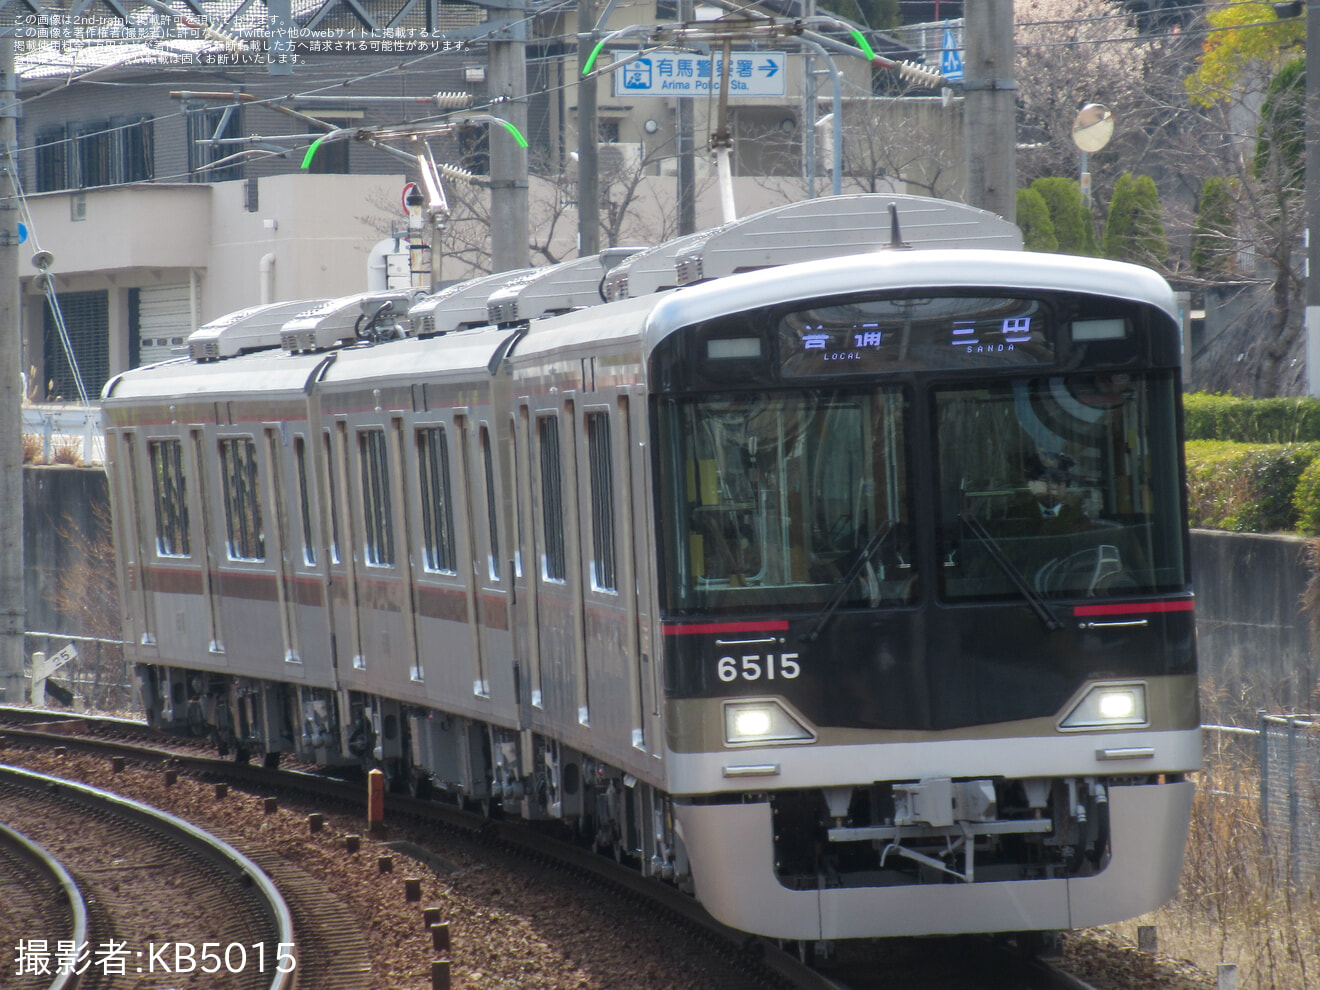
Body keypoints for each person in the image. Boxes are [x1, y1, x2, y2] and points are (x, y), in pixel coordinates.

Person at [1003, 453, 1091, 535]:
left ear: (1066, 486)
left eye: (1058, 482)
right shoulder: (1016, 516)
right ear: (1032, 484)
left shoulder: (1079, 519)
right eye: (1044, 481)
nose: (1051, 487)